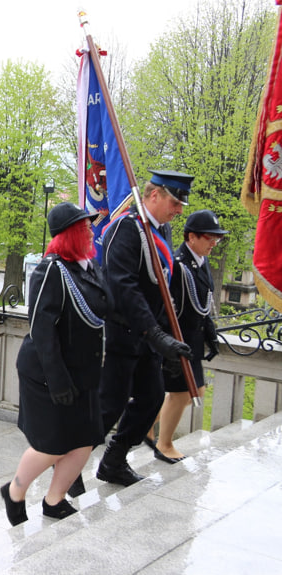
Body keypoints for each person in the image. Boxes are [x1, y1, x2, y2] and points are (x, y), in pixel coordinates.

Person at [0, 203, 112, 525]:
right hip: (48, 373)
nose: (92, 231)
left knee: (85, 440)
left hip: (83, 372)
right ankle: (14, 492)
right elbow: (42, 329)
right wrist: (57, 380)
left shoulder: (86, 268)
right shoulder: (51, 269)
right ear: (71, 233)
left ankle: (54, 500)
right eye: (86, 227)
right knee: (52, 444)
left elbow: (106, 308)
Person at [95, 169, 193, 486]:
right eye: (175, 203)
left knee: (151, 398)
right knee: (110, 406)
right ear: (154, 195)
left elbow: (161, 287)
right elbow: (123, 288)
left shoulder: (161, 232)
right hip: (123, 332)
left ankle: (114, 460)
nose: (179, 211)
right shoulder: (126, 229)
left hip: (149, 334)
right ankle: (69, 462)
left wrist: (165, 338)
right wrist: (155, 334)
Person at [148, 209, 227, 463]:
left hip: (192, 337)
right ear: (191, 237)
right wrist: (168, 344)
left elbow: (202, 306)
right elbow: (166, 308)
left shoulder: (200, 264)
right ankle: (164, 442)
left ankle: (146, 426)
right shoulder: (179, 265)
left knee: (197, 390)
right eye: (209, 237)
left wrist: (211, 334)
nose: (214, 243)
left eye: (217, 238)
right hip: (177, 338)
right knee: (182, 393)